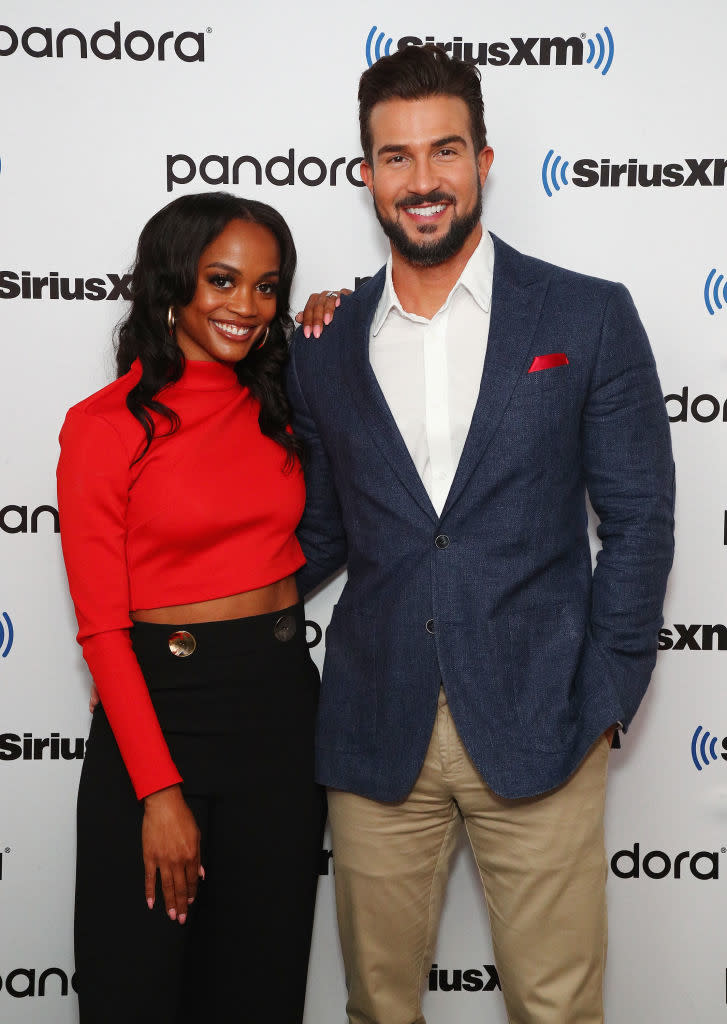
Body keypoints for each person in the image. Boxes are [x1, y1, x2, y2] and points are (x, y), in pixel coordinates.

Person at [288, 45, 674, 1024]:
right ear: (366, 174)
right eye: (397, 157)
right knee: (379, 1005)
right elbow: (319, 530)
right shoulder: (321, 342)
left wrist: (606, 697)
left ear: (484, 160)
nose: (422, 181)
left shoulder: (585, 315)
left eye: (444, 151)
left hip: (545, 721)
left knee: (555, 1006)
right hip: (375, 728)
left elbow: (637, 521)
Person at [56, 192, 326, 1024]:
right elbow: (102, 627)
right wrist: (159, 792)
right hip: (161, 716)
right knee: (134, 992)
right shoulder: (104, 427)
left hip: (281, 713)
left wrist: (333, 312)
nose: (246, 306)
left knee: (259, 991)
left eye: (268, 286)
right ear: (173, 281)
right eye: (222, 279)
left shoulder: (280, 400)